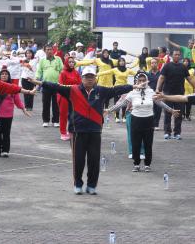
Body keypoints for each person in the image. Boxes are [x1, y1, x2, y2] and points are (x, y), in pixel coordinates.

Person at [29, 66, 141, 195]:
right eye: (86, 77)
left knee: (94, 160)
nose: (89, 79)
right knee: (79, 160)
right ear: (82, 78)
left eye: (91, 77)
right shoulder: (73, 90)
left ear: (95, 78)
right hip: (78, 131)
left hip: (95, 130)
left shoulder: (101, 91)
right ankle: (78, 184)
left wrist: (133, 86)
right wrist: (40, 82)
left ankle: (92, 185)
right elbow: (56, 86)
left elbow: (117, 89)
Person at [108, 72, 178, 171]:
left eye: (143, 80)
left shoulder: (151, 92)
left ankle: (147, 165)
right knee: (135, 143)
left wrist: (171, 110)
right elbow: (121, 104)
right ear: (136, 82)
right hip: (135, 120)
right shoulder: (132, 93)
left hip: (148, 120)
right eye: (139, 80)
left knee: (148, 144)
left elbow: (160, 103)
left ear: (146, 81)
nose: (142, 82)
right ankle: (136, 164)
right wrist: (109, 110)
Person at [156, 49, 195, 140]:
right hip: (167, 94)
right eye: (175, 54)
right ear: (172, 55)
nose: (177, 56)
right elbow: (161, 78)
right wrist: (157, 88)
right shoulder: (167, 66)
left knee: (179, 114)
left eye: (179, 55)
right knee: (167, 114)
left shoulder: (183, 67)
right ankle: (167, 132)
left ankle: (177, 133)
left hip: (180, 95)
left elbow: (189, 79)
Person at [0, 68, 31, 157]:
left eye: (6, 74)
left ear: (9, 76)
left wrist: (23, 109)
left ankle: (5, 150)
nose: (4, 75)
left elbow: (17, 100)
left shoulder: (13, 87)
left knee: (6, 133)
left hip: (8, 114)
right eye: (2, 74)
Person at [97, 57, 135, 122]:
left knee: (125, 102)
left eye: (123, 61)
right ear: (118, 63)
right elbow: (106, 72)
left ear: (125, 62)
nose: (122, 62)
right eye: (120, 61)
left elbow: (135, 73)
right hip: (117, 88)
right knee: (116, 103)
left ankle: (124, 117)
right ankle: (117, 117)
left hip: (125, 88)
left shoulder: (127, 70)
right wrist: (97, 74)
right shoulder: (115, 69)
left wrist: (143, 72)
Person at [36, 44, 63, 127]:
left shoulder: (58, 59)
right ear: (45, 51)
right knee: (46, 104)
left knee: (56, 104)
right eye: (47, 49)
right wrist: (36, 80)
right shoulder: (42, 60)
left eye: (50, 49)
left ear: (53, 50)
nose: (49, 51)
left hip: (57, 85)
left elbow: (62, 70)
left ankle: (56, 121)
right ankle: (45, 120)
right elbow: (39, 71)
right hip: (46, 85)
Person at [58, 56, 81, 140]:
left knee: (73, 115)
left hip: (74, 96)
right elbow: (60, 85)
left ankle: (71, 131)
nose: (71, 63)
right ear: (66, 63)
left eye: (72, 62)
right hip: (64, 95)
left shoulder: (76, 72)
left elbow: (80, 84)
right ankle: (63, 132)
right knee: (63, 114)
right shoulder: (63, 73)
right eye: (70, 62)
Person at [147, 58, 162, 129]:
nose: (154, 64)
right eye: (152, 63)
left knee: (158, 110)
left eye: (155, 63)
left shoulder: (161, 74)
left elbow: (163, 83)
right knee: (151, 109)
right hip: (150, 95)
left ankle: (156, 124)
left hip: (158, 95)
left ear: (157, 64)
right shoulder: (147, 74)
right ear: (150, 64)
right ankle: (151, 124)